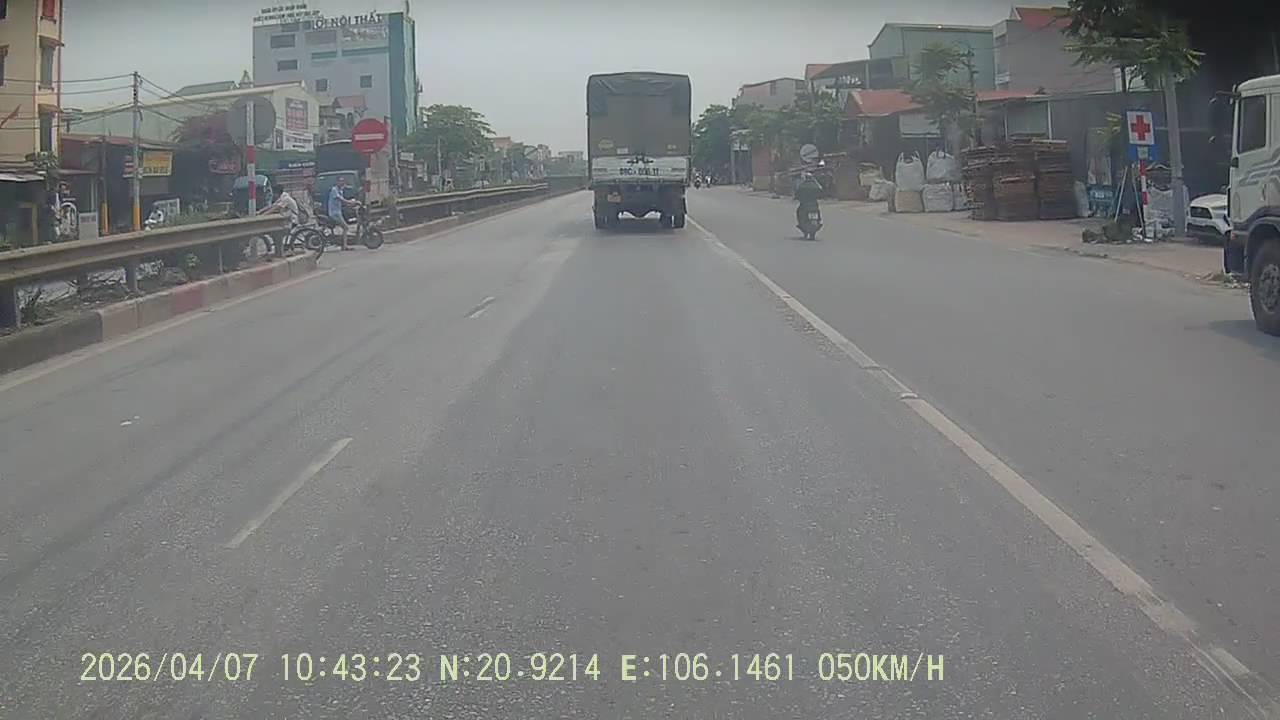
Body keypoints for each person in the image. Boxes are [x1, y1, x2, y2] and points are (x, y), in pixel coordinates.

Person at [258, 183, 306, 254]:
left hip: (292, 221)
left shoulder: (286, 198)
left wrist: (264, 215)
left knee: (277, 231)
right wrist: (260, 211)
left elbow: (276, 208)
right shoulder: (282, 197)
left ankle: (279, 250)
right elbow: (272, 206)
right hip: (287, 219)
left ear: (277, 192)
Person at [328, 175, 360, 250]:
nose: (342, 182)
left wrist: (352, 204)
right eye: (340, 181)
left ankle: (344, 244)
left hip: (338, 212)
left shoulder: (340, 190)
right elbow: (341, 199)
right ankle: (345, 246)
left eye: (343, 181)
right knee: (345, 227)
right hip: (334, 213)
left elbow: (343, 202)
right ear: (337, 182)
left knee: (345, 226)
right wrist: (351, 202)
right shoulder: (334, 190)